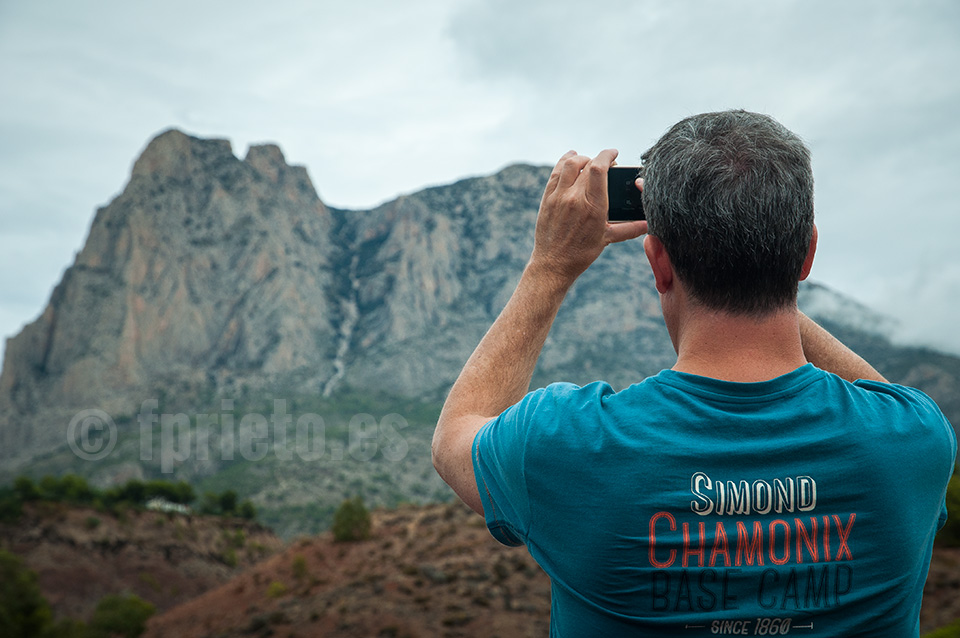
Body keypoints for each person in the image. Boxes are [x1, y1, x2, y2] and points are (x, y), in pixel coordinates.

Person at [431, 110, 957, 636]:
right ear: (807, 254)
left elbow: (456, 436)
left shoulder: (566, 443)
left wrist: (551, 265)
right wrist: (760, 262)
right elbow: (886, 399)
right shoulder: (913, 441)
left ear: (658, 263)